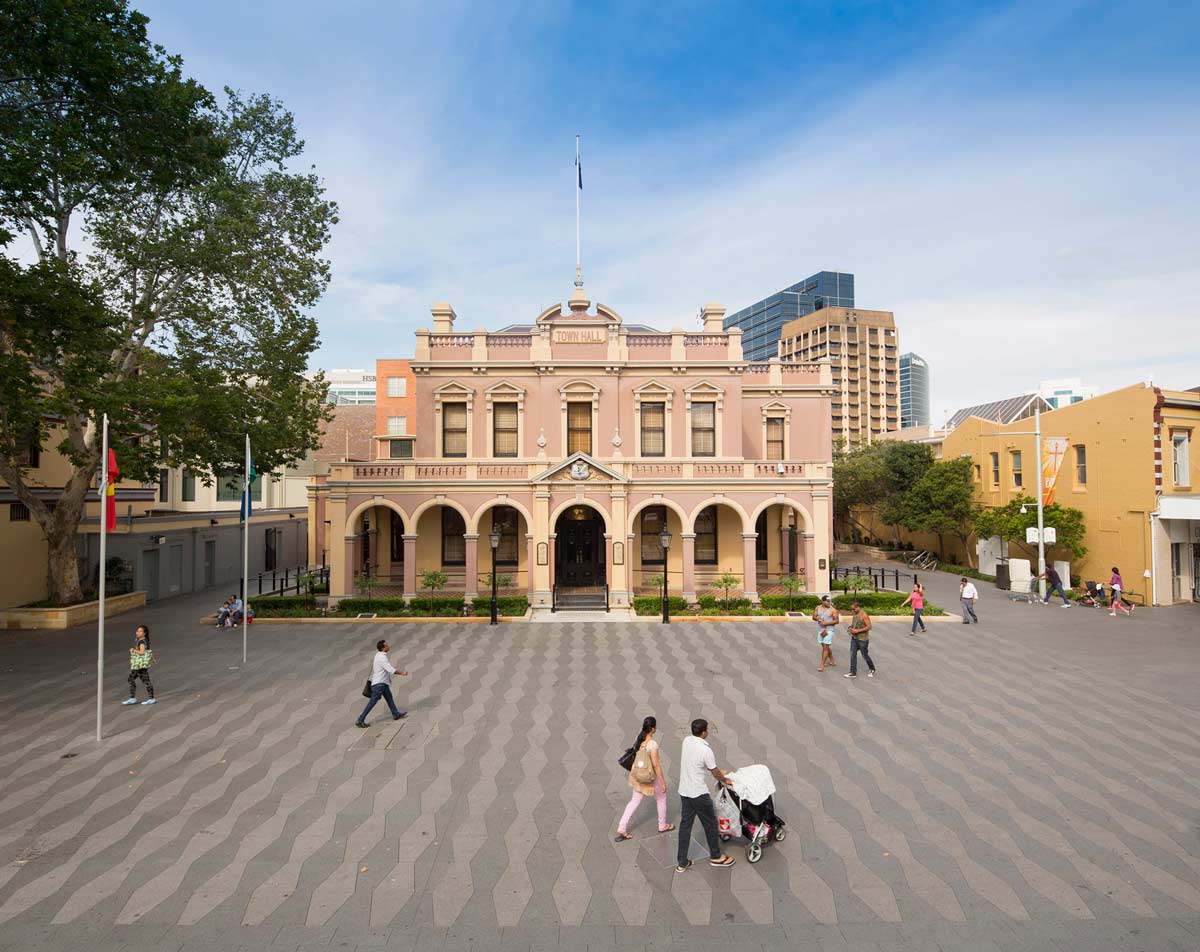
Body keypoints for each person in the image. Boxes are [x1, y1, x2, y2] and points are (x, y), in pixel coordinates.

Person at [675, 718, 735, 872]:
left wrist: (718, 773)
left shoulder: (686, 741)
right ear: (703, 732)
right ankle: (716, 856)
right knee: (710, 824)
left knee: (685, 826)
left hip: (685, 791)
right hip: (699, 794)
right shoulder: (706, 750)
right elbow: (714, 771)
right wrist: (725, 779)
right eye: (707, 730)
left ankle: (682, 862)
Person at [614, 716, 674, 842]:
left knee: (634, 801)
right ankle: (662, 825)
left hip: (638, 775)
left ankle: (622, 827)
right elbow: (656, 765)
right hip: (649, 776)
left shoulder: (639, 738)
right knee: (661, 798)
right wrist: (662, 782)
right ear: (652, 729)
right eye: (655, 727)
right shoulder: (652, 744)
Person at [355, 639, 408, 727]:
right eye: (386, 645)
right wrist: (402, 673)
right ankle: (360, 720)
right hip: (379, 684)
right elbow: (390, 669)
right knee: (372, 702)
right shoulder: (382, 658)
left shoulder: (378, 655)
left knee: (389, 697)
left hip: (382, 683)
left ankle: (395, 714)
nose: (388, 646)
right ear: (383, 648)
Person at [122, 624, 156, 705]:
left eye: (140, 631)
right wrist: (153, 659)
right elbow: (149, 651)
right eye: (137, 631)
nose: (137, 632)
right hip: (142, 665)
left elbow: (142, 652)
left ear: (144, 633)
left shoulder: (141, 642)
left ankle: (133, 698)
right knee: (146, 681)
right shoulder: (145, 640)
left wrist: (133, 650)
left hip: (139, 665)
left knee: (131, 679)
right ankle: (151, 698)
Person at [844, 601, 876, 679]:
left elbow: (869, 627)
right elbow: (854, 624)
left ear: (858, 607)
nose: (852, 610)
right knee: (852, 654)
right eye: (852, 609)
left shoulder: (864, 615)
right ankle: (853, 672)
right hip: (854, 638)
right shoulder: (855, 614)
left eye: (854, 609)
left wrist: (857, 631)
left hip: (863, 639)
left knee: (864, 655)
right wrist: (850, 628)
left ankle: (872, 668)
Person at [812, 595, 839, 671]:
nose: (829, 602)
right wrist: (818, 619)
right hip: (821, 630)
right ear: (823, 601)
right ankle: (832, 660)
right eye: (827, 601)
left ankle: (822, 665)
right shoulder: (818, 608)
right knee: (825, 647)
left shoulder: (833, 610)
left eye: (830, 601)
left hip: (829, 630)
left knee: (825, 647)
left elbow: (837, 621)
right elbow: (813, 617)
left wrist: (826, 623)